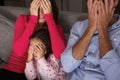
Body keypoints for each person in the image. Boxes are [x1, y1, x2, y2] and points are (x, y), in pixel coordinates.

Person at [0, 0, 66, 79]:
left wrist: (49, 18)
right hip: (14, 69)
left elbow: (59, 54)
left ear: (51, 9)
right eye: (37, 7)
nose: (41, 12)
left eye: (44, 8)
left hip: (36, 74)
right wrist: (33, 20)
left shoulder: (56, 28)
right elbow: (19, 51)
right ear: (32, 7)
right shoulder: (23, 19)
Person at [61, 0, 120, 80]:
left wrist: (102, 28)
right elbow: (67, 66)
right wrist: (91, 27)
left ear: (115, 2)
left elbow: (115, 76)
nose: (98, 3)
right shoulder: (79, 26)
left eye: (103, 1)